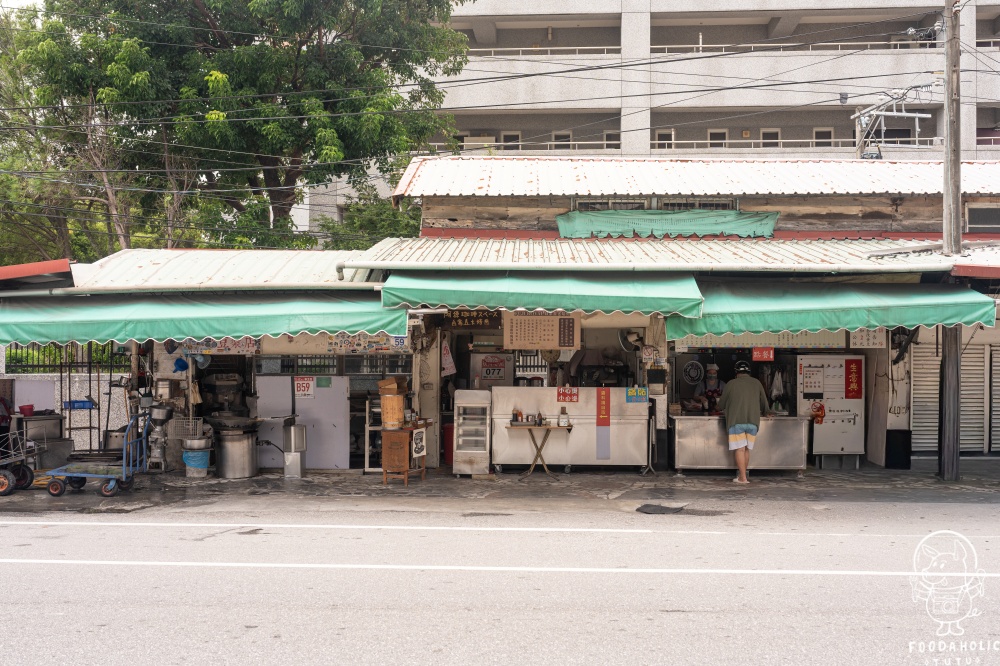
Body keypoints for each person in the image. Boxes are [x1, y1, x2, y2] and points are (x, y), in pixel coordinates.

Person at [717, 360, 769, 484]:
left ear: (736, 372)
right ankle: (743, 476)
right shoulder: (756, 383)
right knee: (746, 449)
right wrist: (767, 412)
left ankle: (743, 478)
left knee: (740, 449)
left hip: (736, 421)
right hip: (753, 422)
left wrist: (718, 407)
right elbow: (764, 402)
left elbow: (721, 404)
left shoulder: (731, 384)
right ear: (749, 372)